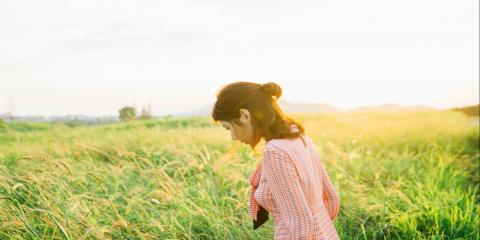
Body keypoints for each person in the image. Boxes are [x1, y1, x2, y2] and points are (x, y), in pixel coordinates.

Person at [211, 81, 341, 240]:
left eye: (228, 127)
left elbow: (300, 224)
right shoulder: (299, 137)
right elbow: (331, 198)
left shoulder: (276, 152)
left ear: (245, 115)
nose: (233, 137)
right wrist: (322, 232)